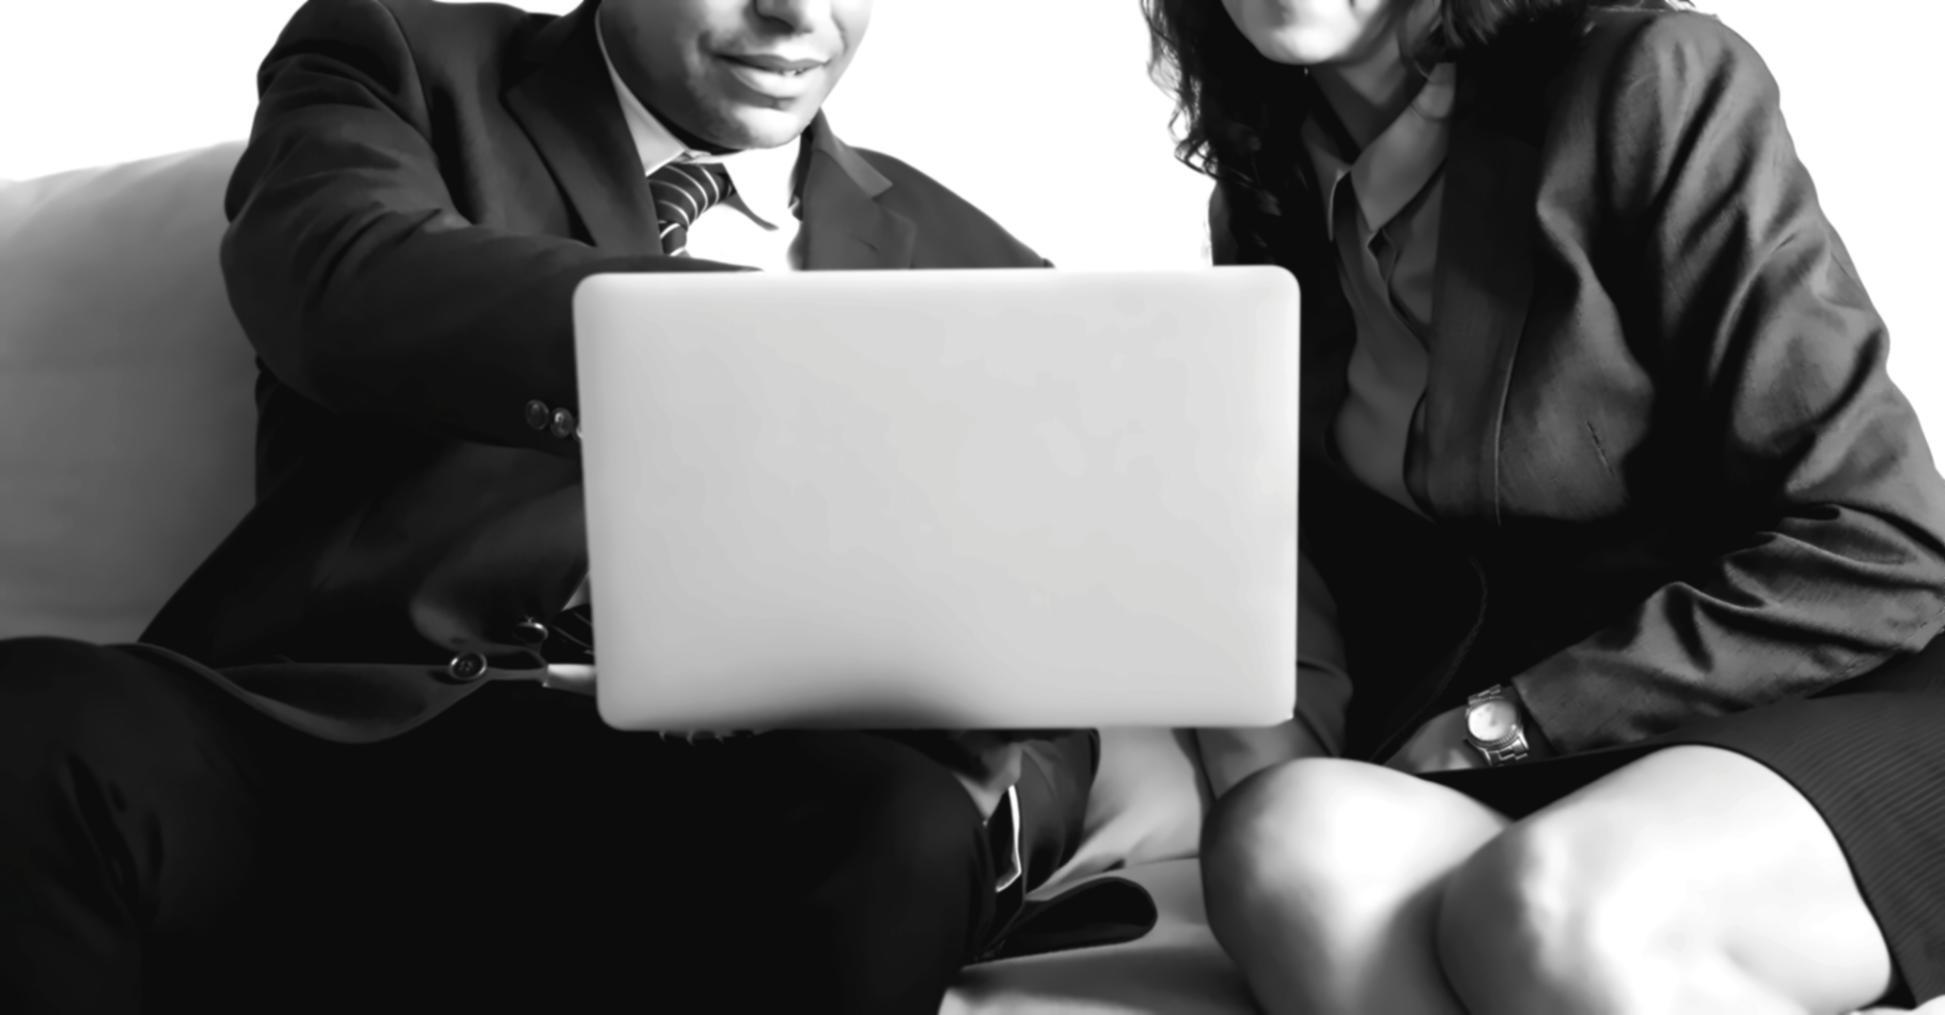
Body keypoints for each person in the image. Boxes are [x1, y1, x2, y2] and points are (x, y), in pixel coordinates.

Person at [0, 1, 1108, 1011]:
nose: (793, 15)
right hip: (339, 749)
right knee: (43, 718)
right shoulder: (397, 59)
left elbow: (1048, 702)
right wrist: (757, 354)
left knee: (901, 827)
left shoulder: (987, 270)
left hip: (723, 813)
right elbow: (338, 284)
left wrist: (976, 792)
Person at [1145, 0, 1945, 1012]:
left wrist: (1505, 726)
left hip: (1814, 696)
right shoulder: (1271, 192)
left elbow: (1886, 541)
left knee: (1551, 905)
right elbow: (1301, 533)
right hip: (1530, 748)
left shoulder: (1645, 78)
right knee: (1284, 844)